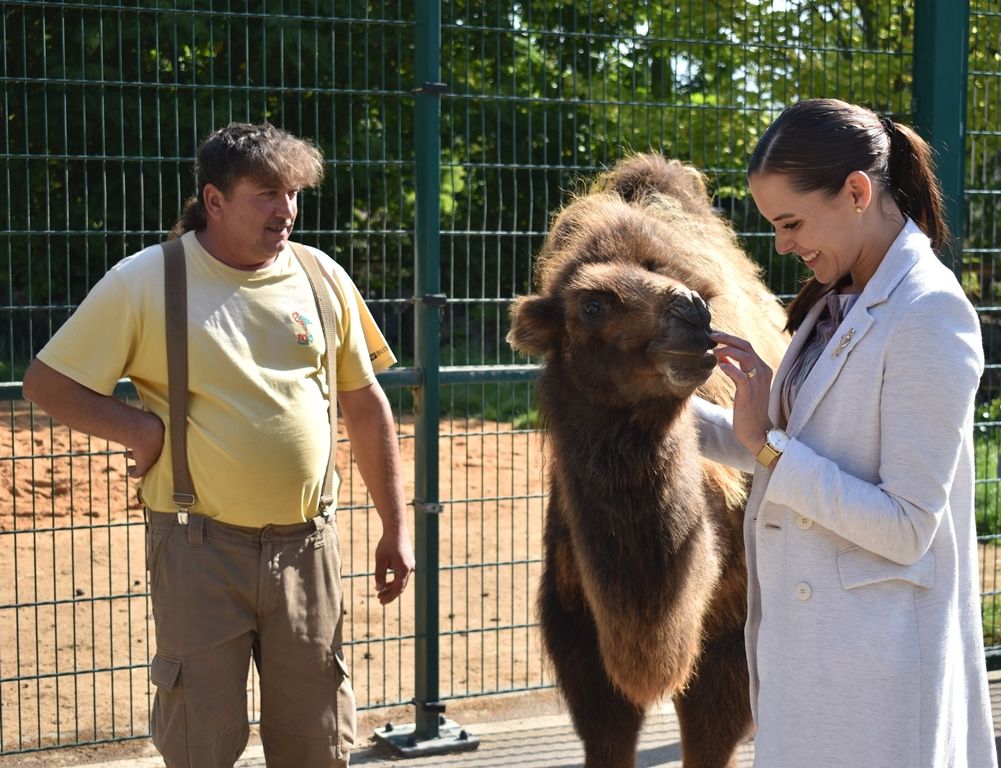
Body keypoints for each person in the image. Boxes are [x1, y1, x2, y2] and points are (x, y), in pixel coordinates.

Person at [22, 122, 415, 767]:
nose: (286, 210)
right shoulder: (146, 280)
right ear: (214, 200)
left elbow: (366, 407)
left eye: (293, 193)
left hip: (308, 549)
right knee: (201, 747)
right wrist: (139, 429)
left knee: (319, 746)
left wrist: (396, 525)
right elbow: (46, 381)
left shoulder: (321, 277)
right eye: (266, 193)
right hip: (197, 548)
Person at [694, 98, 997, 767]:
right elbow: (791, 453)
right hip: (815, 658)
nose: (781, 244)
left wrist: (767, 445)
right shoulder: (837, 302)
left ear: (856, 191)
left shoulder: (929, 313)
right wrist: (634, 401)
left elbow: (904, 526)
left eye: (791, 222)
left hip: (874, 677)